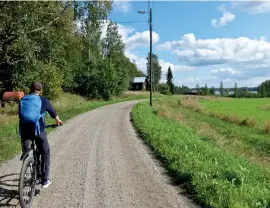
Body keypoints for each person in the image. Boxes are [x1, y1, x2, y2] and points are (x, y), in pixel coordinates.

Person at [19, 81, 62, 188]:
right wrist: (58, 121)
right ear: (40, 90)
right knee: (45, 152)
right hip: (38, 131)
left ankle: (26, 163)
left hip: (25, 131)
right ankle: (45, 180)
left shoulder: (23, 99)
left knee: (26, 150)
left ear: (30, 89)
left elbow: (20, 114)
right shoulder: (43, 100)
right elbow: (53, 113)